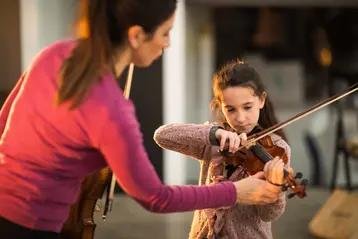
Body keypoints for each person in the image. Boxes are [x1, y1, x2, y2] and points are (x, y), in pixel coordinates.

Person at [0, 1, 283, 238]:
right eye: (166, 33)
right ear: (136, 36)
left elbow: (3, 123)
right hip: (32, 226)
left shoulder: (52, 54)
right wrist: (233, 192)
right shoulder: (113, 110)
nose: (168, 43)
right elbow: (155, 197)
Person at [154, 60, 292, 239]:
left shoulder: (277, 149)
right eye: (231, 109)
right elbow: (162, 136)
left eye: (247, 107)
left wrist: (277, 189)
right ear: (221, 106)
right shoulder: (213, 140)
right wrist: (212, 133)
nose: (241, 118)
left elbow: (268, 215)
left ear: (262, 100)